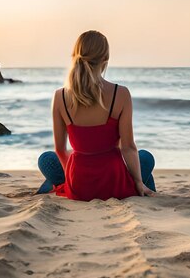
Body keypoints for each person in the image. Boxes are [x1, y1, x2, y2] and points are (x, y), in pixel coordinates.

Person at [36, 30, 156, 200]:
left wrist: (70, 178)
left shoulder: (60, 96)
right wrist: (137, 181)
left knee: (46, 158)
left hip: (78, 184)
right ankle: (143, 189)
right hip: (113, 182)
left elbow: (60, 150)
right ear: (105, 58)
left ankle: (54, 184)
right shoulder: (120, 94)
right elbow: (128, 147)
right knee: (145, 158)